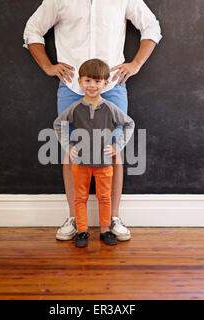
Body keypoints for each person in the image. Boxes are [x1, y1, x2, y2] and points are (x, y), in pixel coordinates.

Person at [23, 0, 162, 241]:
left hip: (113, 85)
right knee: (70, 151)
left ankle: (113, 219)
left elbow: (152, 27)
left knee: (115, 151)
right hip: (72, 86)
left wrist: (136, 63)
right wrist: (48, 66)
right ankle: (74, 218)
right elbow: (32, 30)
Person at [53, 59, 135, 247]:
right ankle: (82, 231)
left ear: (105, 84)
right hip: (80, 164)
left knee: (104, 197)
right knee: (80, 197)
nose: (92, 86)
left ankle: (106, 229)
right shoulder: (74, 108)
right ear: (80, 81)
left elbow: (129, 123)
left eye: (97, 82)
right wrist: (68, 146)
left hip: (104, 164)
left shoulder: (110, 108)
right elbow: (58, 124)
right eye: (88, 81)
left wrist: (117, 147)